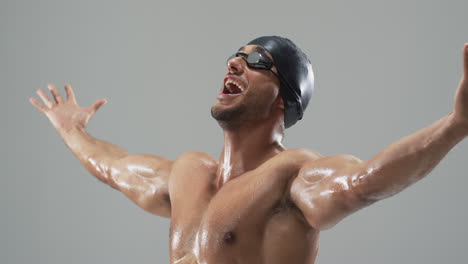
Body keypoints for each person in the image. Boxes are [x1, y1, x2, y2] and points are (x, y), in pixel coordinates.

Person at [30, 36, 468, 264]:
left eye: (258, 62)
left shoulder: (292, 176)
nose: (235, 63)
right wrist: (73, 132)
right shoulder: (187, 175)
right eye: (235, 56)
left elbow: (364, 181)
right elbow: (114, 167)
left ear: (283, 98)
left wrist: (455, 126)